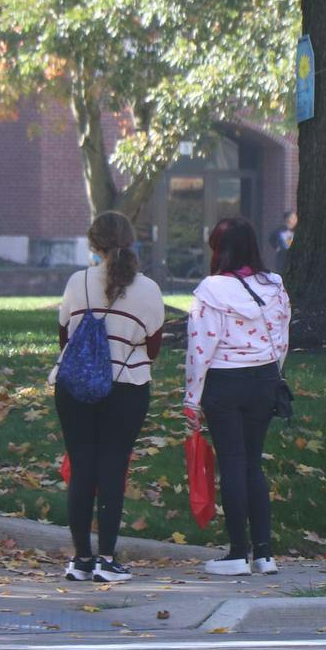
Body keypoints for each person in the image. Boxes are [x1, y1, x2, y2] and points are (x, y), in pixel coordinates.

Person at [54, 211, 165, 585]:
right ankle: (107, 558)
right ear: (131, 240)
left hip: (74, 387)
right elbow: (152, 348)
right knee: (113, 468)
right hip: (127, 385)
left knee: (82, 467)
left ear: (93, 243)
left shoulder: (77, 282)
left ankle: (81, 558)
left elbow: (65, 336)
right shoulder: (148, 289)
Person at [184, 217, 292, 577]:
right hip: (264, 378)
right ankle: (264, 552)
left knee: (231, 463)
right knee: (252, 463)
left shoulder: (210, 290)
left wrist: (191, 397)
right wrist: (274, 374)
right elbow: (281, 336)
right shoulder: (274, 287)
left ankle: (236, 553)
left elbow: (201, 347)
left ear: (219, 248)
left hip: (224, 381)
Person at [270, 211, 298, 276]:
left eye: (295, 218)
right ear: (287, 219)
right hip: (282, 256)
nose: (295, 220)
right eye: (292, 218)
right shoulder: (279, 230)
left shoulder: (297, 231)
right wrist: (276, 247)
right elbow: (271, 239)